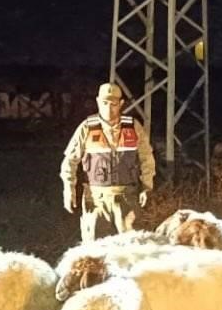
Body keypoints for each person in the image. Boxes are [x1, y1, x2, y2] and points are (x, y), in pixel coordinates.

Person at [59, 82, 155, 241]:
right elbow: (69, 161)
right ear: (97, 102)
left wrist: (147, 186)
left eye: (113, 104)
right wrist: (68, 190)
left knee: (130, 249)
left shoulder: (133, 127)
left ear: (121, 104)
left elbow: (147, 158)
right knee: (96, 251)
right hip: (97, 201)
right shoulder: (87, 128)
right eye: (104, 103)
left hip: (127, 198)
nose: (108, 109)